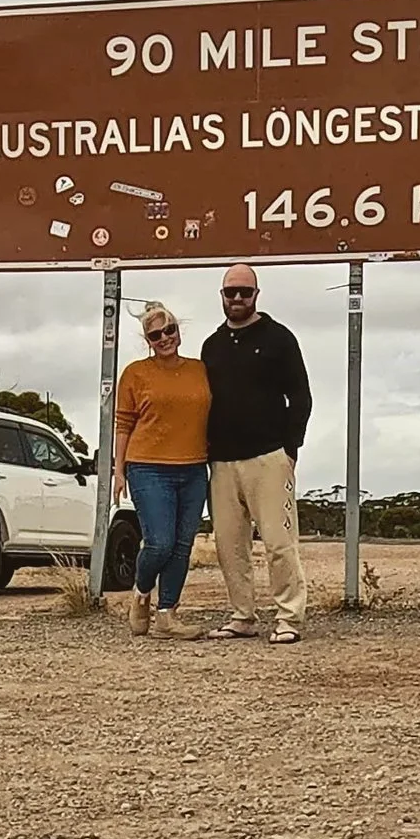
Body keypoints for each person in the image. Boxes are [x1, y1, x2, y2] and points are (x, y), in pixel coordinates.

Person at [201, 264, 313, 643]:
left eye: (244, 292)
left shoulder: (279, 339)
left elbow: (300, 396)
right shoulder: (211, 346)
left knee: (279, 544)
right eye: (230, 292)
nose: (236, 299)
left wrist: (291, 449)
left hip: (269, 457)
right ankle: (242, 616)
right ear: (221, 296)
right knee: (230, 546)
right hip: (222, 461)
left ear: (256, 295)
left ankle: (289, 618)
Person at [110, 301, 209, 639]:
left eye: (170, 330)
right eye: (156, 335)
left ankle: (167, 615)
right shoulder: (136, 373)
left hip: (194, 468)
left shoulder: (200, 369)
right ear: (148, 340)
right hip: (148, 468)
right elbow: (123, 423)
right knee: (159, 543)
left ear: (178, 331)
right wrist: (119, 470)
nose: (164, 338)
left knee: (182, 546)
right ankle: (140, 593)